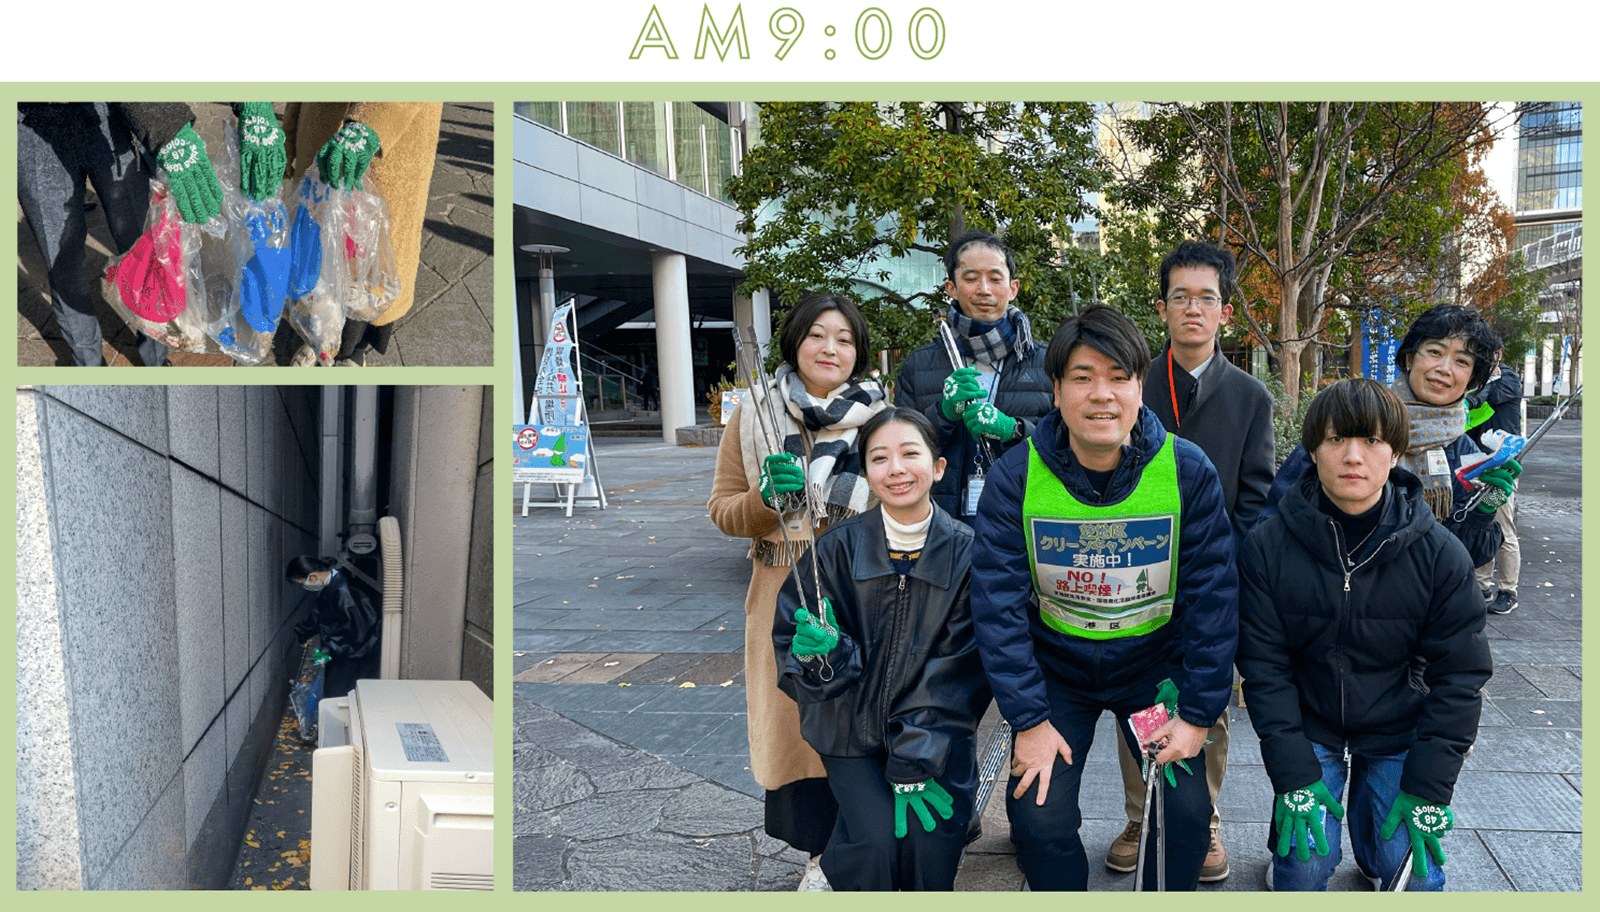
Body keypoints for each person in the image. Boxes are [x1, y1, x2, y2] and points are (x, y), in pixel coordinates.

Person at [970, 303, 1237, 891]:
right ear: (1057, 391)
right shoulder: (1016, 477)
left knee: (1186, 813)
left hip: (1152, 673)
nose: (1102, 395)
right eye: (1083, 378)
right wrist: (1029, 719)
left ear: (1140, 387)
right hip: (1057, 676)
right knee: (1037, 818)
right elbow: (997, 610)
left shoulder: (1186, 470)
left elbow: (1214, 603)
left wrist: (1195, 714)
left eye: (1119, 377)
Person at [1238, 379, 1492, 891]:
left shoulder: (1440, 553)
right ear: (1312, 450)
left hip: (1401, 726)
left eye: (1373, 441)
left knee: (1411, 875)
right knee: (1303, 866)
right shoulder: (1267, 545)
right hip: (1311, 722)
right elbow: (1264, 667)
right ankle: (1293, 853)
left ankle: (1373, 839)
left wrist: (1428, 788)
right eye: (1336, 440)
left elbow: (1460, 676)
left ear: (1395, 451)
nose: (1353, 456)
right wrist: (1293, 774)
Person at [1102, 241, 1272, 881]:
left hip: (1210, 582)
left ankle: (1204, 825)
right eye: (1181, 298)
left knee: (1208, 704)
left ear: (1225, 312)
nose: (1193, 309)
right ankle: (1141, 815)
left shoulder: (1249, 396)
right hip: (1133, 576)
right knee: (1138, 700)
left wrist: (1224, 570)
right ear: (1162, 308)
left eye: (1206, 298)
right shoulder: (1131, 383)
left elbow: (1254, 498)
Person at [707, 293, 889, 890]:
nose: (830, 348)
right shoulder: (755, 414)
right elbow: (722, 509)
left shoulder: (884, 418)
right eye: (817, 335)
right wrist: (766, 500)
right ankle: (818, 856)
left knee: (860, 722)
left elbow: (909, 498)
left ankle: (855, 850)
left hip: (861, 595)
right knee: (799, 727)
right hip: (782, 593)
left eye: (843, 338)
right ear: (795, 343)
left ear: (858, 351)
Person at [772, 407, 990, 891]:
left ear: (937, 466)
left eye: (910, 454)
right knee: (874, 847)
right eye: (879, 458)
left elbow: (959, 673)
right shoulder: (834, 551)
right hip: (849, 735)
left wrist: (916, 757)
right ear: (867, 473)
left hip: (936, 737)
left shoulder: (970, 554)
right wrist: (820, 656)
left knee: (929, 845)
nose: (895, 469)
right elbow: (795, 642)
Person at [1263, 304, 1515, 571]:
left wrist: (1482, 511)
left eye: (1461, 361)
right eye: (1434, 352)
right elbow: (1276, 517)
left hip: (1417, 600)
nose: (1444, 368)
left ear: (1472, 377)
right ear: (1409, 358)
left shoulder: (1465, 454)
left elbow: (1465, 556)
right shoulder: (1351, 416)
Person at [894, 230, 1054, 524]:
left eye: (995, 278)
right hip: (939, 527)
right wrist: (942, 414)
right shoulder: (919, 365)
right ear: (951, 288)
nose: (984, 289)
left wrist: (1015, 431)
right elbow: (897, 453)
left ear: (1013, 288)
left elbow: (1068, 444)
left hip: (1025, 522)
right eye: (970, 279)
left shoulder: (1046, 362)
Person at [281, 103, 443, 365]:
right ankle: (316, 338)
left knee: (366, 266)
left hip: (392, 131)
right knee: (315, 253)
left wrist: (373, 118)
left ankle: (352, 350)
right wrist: (289, 130)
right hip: (322, 118)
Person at [1466, 348, 1524, 615]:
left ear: (1499, 354)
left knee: (1503, 525)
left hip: (1502, 469)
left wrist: (1485, 382)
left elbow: (1481, 399)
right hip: (1476, 464)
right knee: (1479, 522)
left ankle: (1508, 590)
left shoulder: (1508, 378)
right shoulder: (1479, 381)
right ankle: (1481, 586)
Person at [285, 555, 380, 665]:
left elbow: (355, 631)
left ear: (313, 577)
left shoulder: (343, 592)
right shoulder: (333, 585)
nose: (303, 586)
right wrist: (303, 632)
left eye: (302, 583)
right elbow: (320, 613)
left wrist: (327, 652)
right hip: (345, 651)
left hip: (357, 655)